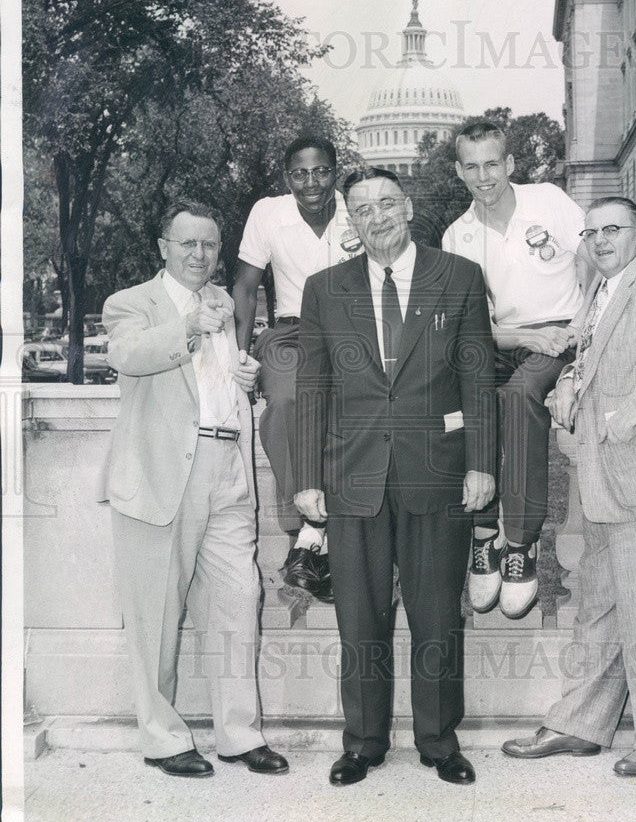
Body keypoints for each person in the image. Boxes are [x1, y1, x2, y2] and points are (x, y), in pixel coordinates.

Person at [294, 167, 496, 786]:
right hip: (353, 475)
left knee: (438, 614)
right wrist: (307, 476)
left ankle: (438, 740)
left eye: (387, 203)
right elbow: (312, 390)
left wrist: (482, 463)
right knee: (359, 616)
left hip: (435, 471)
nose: (376, 216)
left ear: (407, 207)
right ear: (349, 220)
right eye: (362, 208)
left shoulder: (457, 277)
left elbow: (478, 378)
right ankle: (363, 743)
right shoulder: (324, 289)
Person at [502, 197, 636, 777]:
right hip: (602, 477)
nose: (599, 241)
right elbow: (599, 355)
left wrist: (626, 416)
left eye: (612, 230)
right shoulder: (604, 287)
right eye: (590, 233)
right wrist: (570, 382)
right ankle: (580, 725)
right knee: (598, 606)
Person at [101, 199, 288, 778]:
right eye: (187, 244)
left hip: (227, 466)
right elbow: (128, 356)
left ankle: (238, 735)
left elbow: (212, 382)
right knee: (156, 615)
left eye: (209, 245)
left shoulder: (225, 303)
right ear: (164, 248)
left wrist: (246, 381)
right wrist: (185, 325)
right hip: (162, 475)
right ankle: (162, 738)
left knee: (238, 604)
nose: (199, 255)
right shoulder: (130, 302)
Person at [442, 119, 593, 619]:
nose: (483, 176)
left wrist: (579, 324)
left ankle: (522, 544)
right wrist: (525, 337)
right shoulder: (457, 235)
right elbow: (473, 327)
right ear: (458, 171)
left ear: (509, 164)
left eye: (492, 163)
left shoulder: (547, 199)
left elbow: (593, 256)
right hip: (504, 337)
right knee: (466, 397)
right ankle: (483, 534)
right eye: (472, 166)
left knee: (522, 391)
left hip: (562, 331)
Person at [233, 136, 363, 602]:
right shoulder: (268, 213)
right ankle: (304, 526)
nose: (311, 182)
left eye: (322, 171)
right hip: (292, 331)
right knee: (287, 401)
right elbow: (246, 289)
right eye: (300, 173)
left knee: (365, 413)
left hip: (354, 333)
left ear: (336, 171)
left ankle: (330, 546)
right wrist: (240, 356)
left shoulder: (359, 208)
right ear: (287, 177)